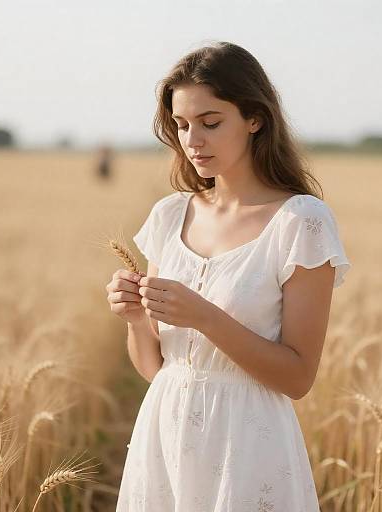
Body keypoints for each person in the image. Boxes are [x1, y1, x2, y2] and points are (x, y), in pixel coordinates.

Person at [106, 41, 351, 511]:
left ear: (254, 118)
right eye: (181, 125)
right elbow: (157, 368)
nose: (192, 140)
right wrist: (136, 318)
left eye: (211, 123)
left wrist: (204, 317)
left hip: (248, 445)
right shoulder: (170, 215)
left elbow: (298, 377)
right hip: (165, 434)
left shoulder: (302, 222)